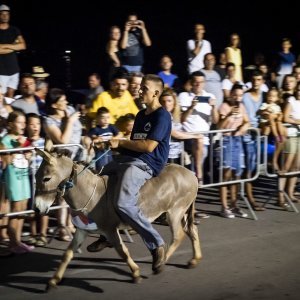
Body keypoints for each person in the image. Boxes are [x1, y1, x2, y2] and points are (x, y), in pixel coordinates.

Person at [87, 74, 170, 274]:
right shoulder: (141, 115)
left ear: (156, 93)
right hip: (132, 159)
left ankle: (156, 243)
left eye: (144, 88)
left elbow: (148, 146)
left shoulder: (162, 116)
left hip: (147, 163)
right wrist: (109, 144)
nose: (140, 91)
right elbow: (133, 144)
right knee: (100, 180)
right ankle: (107, 234)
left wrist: (121, 142)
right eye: (140, 87)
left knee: (123, 202)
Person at [218, 84, 250, 218]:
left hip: (238, 141)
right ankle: (224, 206)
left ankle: (234, 204)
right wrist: (229, 115)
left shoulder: (242, 106)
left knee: (237, 174)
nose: (237, 98)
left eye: (240, 95)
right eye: (235, 95)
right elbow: (219, 126)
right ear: (230, 94)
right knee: (226, 174)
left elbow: (247, 121)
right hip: (226, 141)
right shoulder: (224, 106)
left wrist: (244, 127)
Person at [0, 4, 26, 98]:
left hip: (14, 70)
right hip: (1, 72)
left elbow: (23, 45)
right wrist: (14, 46)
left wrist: (4, 46)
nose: (5, 16)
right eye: (2, 14)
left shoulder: (14, 30)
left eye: (7, 14)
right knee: (1, 97)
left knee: (10, 96)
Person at [88, 107, 123, 171]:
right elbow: (90, 137)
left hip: (110, 151)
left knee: (111, 166)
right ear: (98, 118)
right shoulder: (96, 129)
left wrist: (114, 138)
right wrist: (96, 138)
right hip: (100, 152)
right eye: (103, 118)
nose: (106, 120)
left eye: (108, 117)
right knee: (101, 168)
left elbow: (120, 134)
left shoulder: (111, 127)